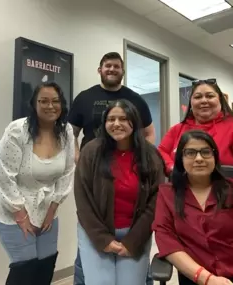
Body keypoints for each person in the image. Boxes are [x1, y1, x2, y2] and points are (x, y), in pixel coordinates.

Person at [68, 52, 156, 285]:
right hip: (96, 195)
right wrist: (77, 156)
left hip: (133, 228)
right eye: (108, 66)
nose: (117, 124)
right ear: (100, 69)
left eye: (117, 66)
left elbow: (155, 200)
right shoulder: (85, 98)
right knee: (92, 275)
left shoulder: (135, 98)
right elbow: (71, 133)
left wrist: (144, 154)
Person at [153, 129, 233, 285]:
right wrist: (207, 279)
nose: (199, 158)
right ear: (180, 159)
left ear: (215, 157)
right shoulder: (167, 194)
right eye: (190, 153)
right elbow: (166, 240)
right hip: (198, 278)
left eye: (206, 152)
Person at [0, 82, 75, 285]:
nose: (50, 106)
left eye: (55, 101)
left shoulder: (66, 131)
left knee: (46, 262)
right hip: (10, 205)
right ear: (34, 104)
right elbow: (4, 175)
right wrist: (21, 214)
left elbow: (68, 172)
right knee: (26, 266)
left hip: (45, 205)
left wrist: (53, 209)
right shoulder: (17, 130)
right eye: (43, 101)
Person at [74, 99, 165, 285]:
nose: (116, 124)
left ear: (134, 121)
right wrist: (103, 239)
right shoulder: (91, 152)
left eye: (123, 119)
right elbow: (83, 201)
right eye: (111, 119)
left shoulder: (150, 155)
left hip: (135, 233)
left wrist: (133, 241)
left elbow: (156, 200)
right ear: (104, 123)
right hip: (96, 232)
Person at [158, 78, 233, 218]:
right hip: (186, 206)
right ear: (191, 103)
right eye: (198, 97)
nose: (204, 100)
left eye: (210, 96)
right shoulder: (178, 130)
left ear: (220, 101)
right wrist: (172, 167)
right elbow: (161, 151)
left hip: (228, 207)